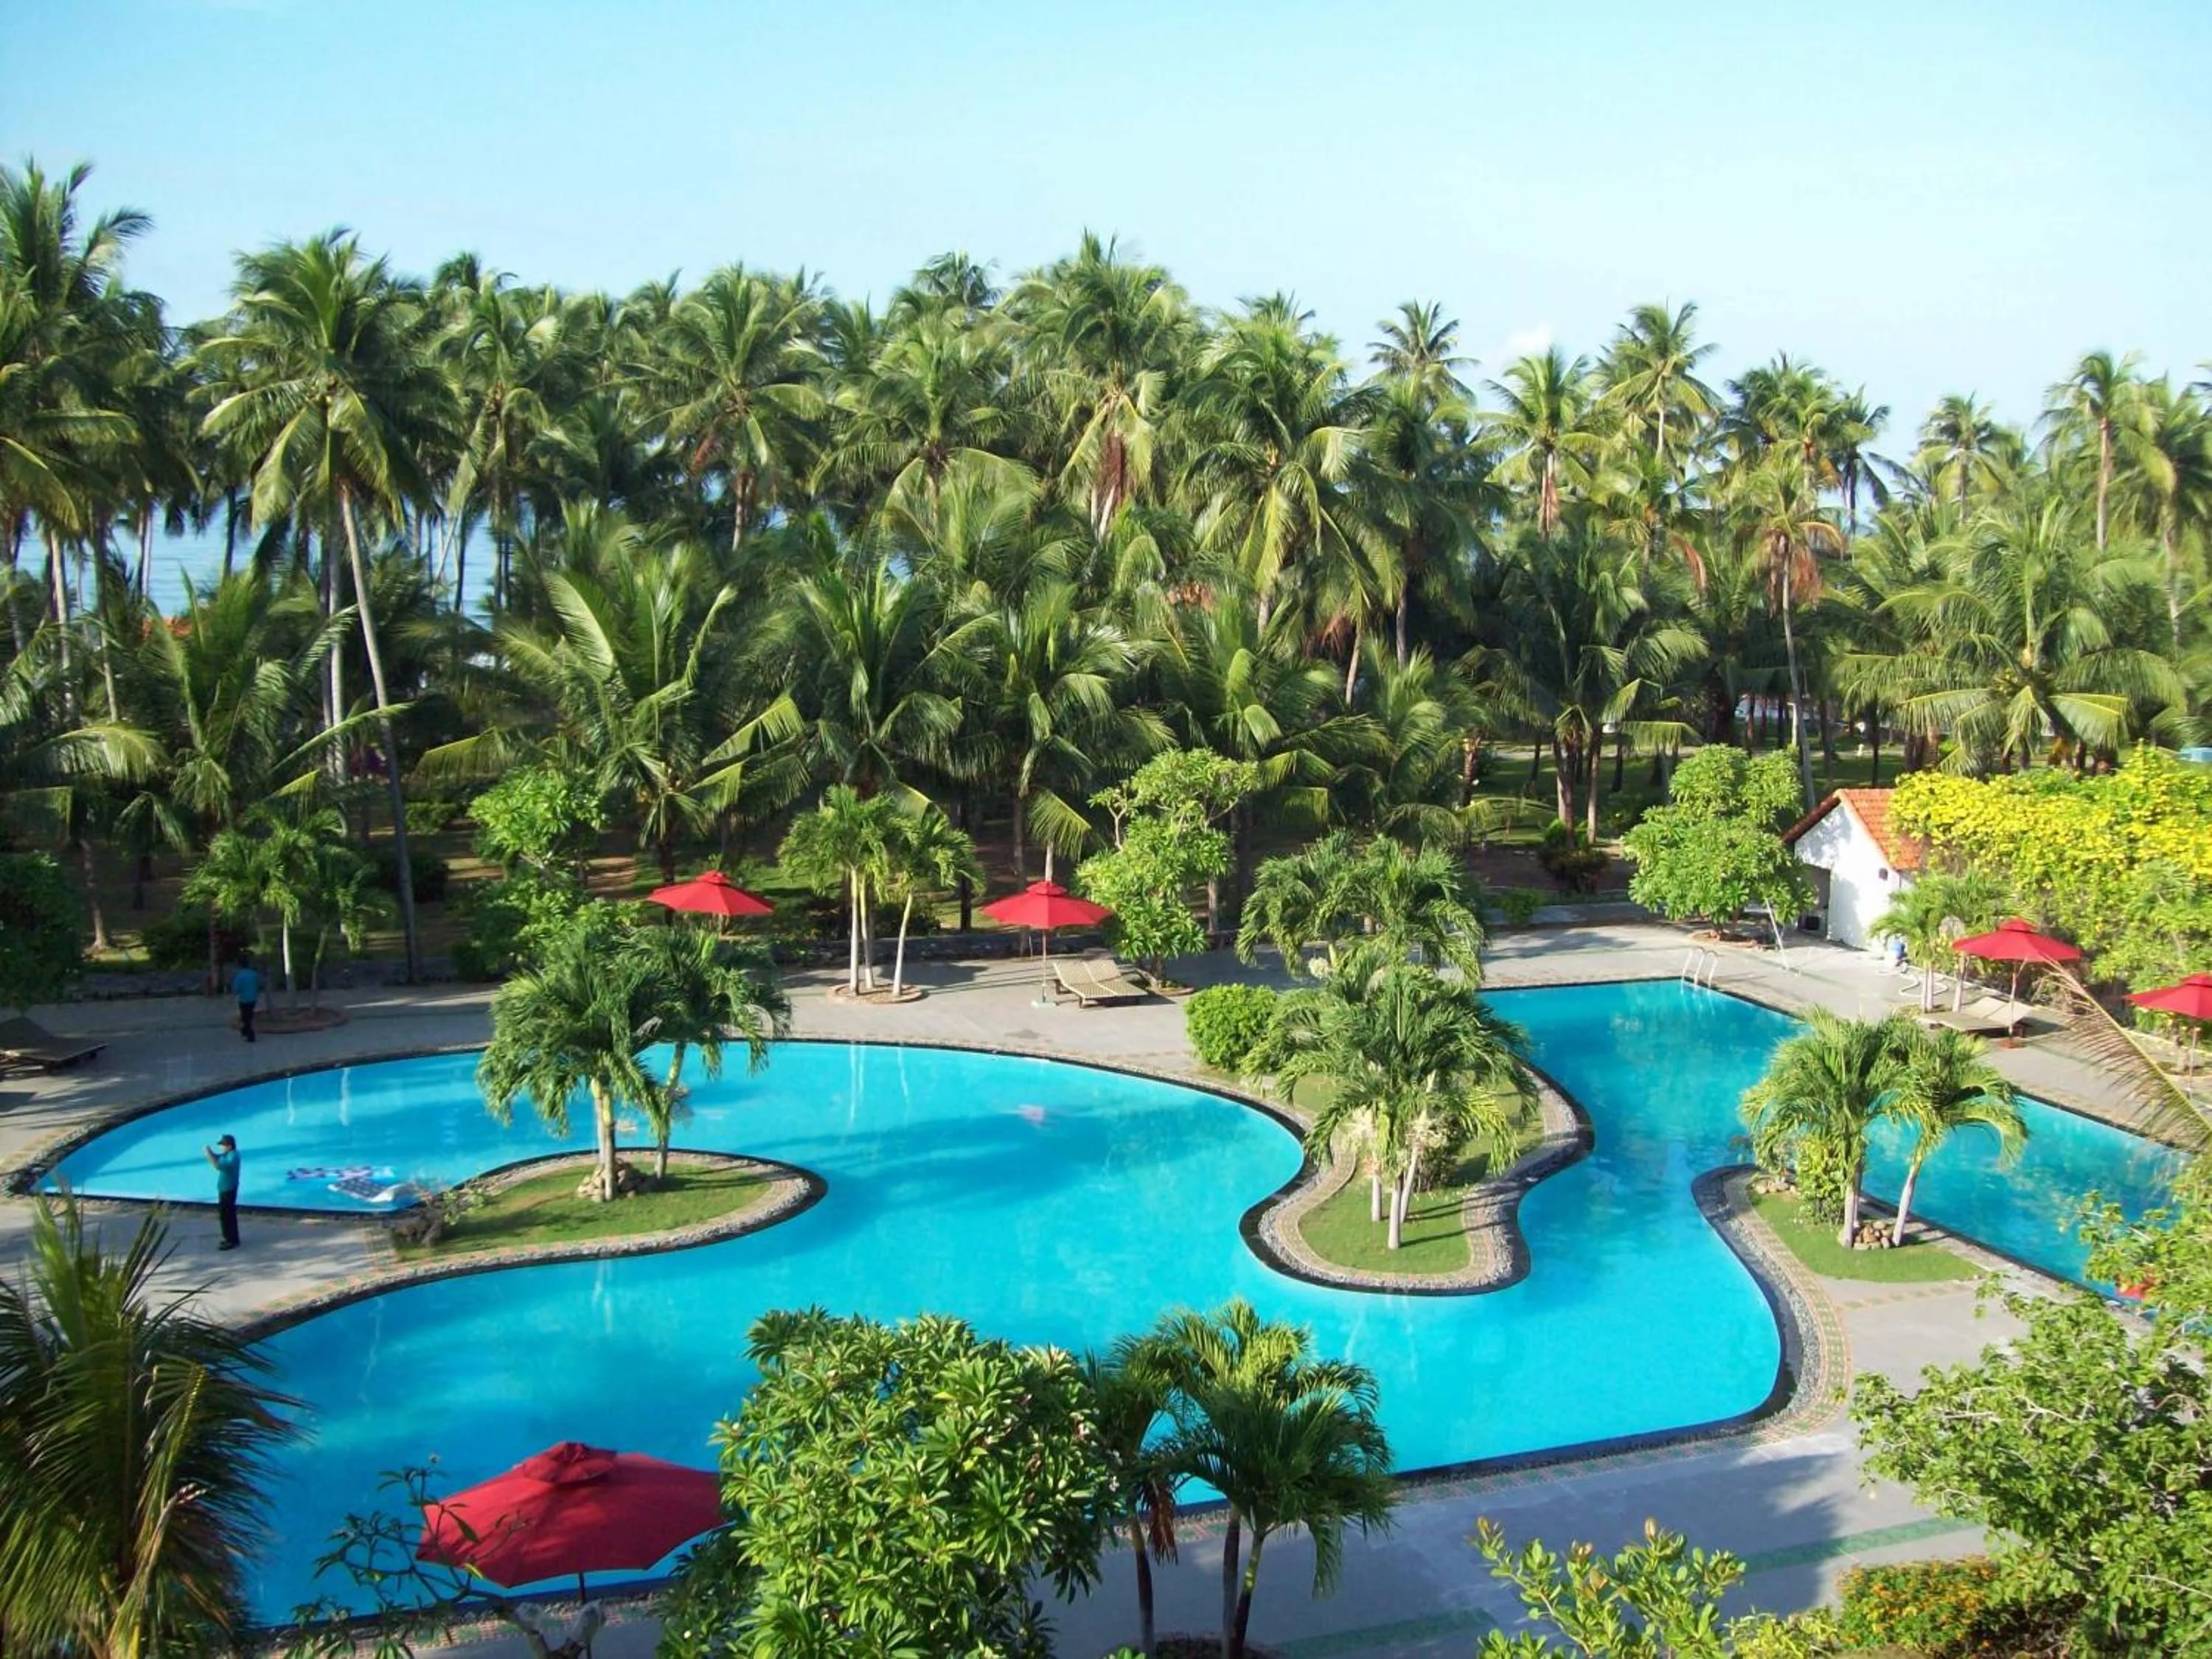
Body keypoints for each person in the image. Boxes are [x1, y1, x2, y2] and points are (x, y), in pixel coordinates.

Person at [205, 1133, 241, 1250]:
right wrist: (211, 1153)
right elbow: (217, 1157)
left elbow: (218, 1166)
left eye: (223, 1145)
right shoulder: (227, 1154)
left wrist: (208, 1154)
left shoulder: (233, 1157)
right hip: (224, 1189)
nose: (221, 1147)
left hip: (229, 1189)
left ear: (229, 1146)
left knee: (228, 1215)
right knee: (225, 1215)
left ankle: (232, 1240)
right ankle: (228, 1238)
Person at [232, 952, 261, 1043]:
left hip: (244, 999)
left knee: (245, 1016)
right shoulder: (254, 974)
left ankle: (249, 1034)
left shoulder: (240, 975)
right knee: (249, 1015)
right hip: (253, 998)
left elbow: (236, 988)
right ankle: (245, 1031)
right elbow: (258, 985)